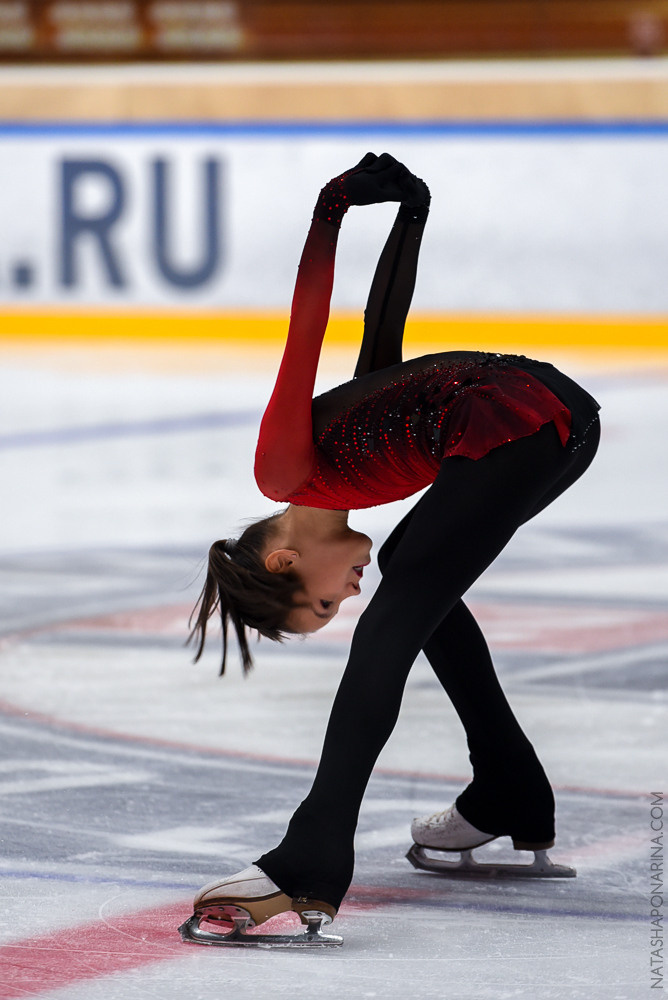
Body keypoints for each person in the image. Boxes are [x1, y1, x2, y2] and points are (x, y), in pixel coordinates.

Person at [183, 153, 601, 942]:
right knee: (416, 579)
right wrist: (412, 214)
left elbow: (307, 331)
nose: (348, 592)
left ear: (283, 560)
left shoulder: (283, 470)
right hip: (552, 421)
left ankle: (312, 855)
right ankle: (509, 787)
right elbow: (384, 338)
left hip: (523, 420)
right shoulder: (347, 480)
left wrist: (332, 208)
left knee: (397, 615)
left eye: (324, 601)